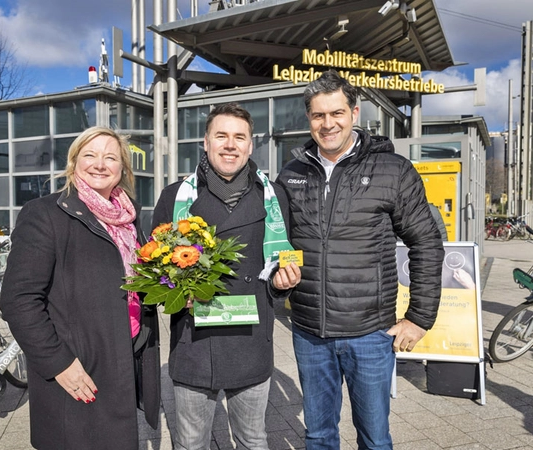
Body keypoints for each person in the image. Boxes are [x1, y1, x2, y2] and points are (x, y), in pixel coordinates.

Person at [275, 70, 444, 450]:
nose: (328, 123)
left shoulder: (393, 170)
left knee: (374, 438)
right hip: (309, 332)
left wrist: (419, 318)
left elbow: (426, 243)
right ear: (309, 119)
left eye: (336, 113)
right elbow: (282, 242)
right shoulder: (291, 174)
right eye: (318, 116)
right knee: (318, 436)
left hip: (370, 333)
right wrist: (277, 279)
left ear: (354, 112)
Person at [0, 126, 160, 450]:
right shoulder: (45, 214)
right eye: (90, 155)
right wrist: (59, 363)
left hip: (126, 361)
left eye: (110, 157)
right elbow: (18, 300)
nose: (100, 164)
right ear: (73, 163)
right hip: (79, 368)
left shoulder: (128, 219)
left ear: (122, 170)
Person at [152, 102, 301, 450]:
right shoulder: (176, 196)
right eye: (221, 136)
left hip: (250, 339)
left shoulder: (273, 196)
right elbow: (154, 266)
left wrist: (283, 284)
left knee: (252, 439)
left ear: (251, 145)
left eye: (239, 137)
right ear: (205, 142)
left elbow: (280, 258)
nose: (230, 145)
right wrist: (173, 287)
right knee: (190, 443)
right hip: (193, 341)